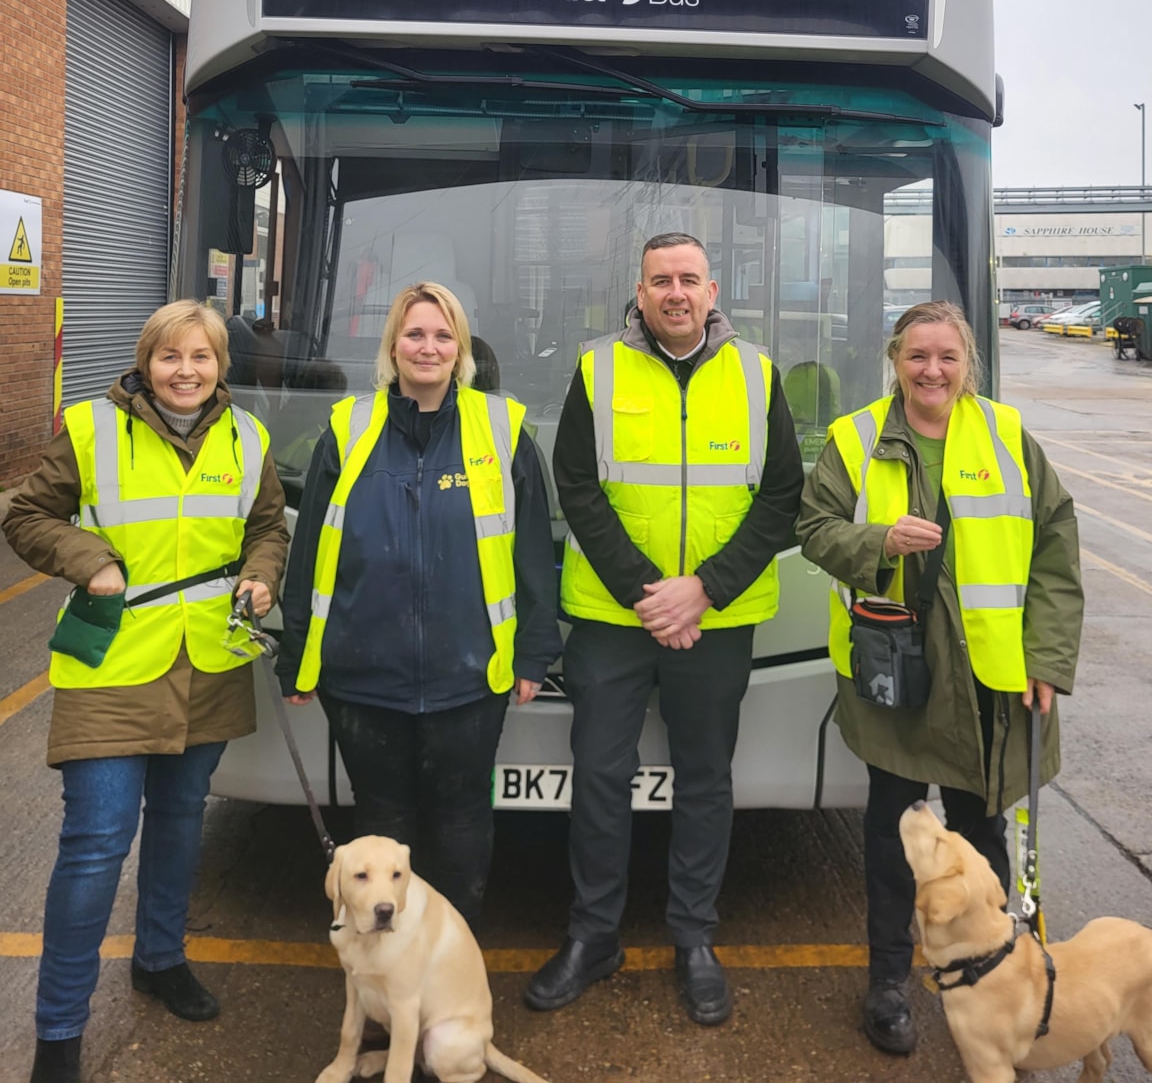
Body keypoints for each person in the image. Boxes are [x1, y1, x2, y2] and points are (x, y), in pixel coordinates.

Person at [5, 301, 289, 1083]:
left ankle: (160, 959)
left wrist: (261, 578)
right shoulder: (94, 430)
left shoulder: (247, 437)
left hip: (208, 662)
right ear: (146, 362)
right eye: (171, 357)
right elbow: (27, 513)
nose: (186, 371)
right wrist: (87, 557)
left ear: (220, 365)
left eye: (201, 357)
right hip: (113, 664)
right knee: (96, 844)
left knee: (179, 822)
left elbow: (268, 526)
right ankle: (59, 1031)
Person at [525, 233, 805, 1026]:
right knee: (601, 777)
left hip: (716, 620)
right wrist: (653, 593)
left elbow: (780, 496)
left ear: (713, 291)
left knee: (706, 779)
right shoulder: (597, 369)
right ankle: (594, 936)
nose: (675, 293)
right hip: (617, 617)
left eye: (689, 279)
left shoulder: (757, 375)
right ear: (639, 293)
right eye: (660, 282)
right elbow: (575, 487)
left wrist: (704, 591)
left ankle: (694, 939)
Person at [798, 300, 1082, 1056]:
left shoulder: (1007, 435)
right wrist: (878, 541)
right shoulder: (853, 438)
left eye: (947, 358)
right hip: (896, 674)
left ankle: (991, 977)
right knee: (893, 838)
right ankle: (889, 982)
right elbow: (814, 529)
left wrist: (1049, 657)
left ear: (967, 364)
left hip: (989, 680)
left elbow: (1055, 544)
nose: (932, 371)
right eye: (917, 356)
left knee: (981, 831)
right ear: (895, 360)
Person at [276, 282, 559, 926]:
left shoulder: (503, 430)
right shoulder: (346, 430)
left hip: (470, 678)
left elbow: (533, 556)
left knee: (462, 828)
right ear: (393, 346)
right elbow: (312, 551)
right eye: (414, 334)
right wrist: (297, 653)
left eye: (442, 335)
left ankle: (449, 980)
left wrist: (535, 651)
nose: (427, 347)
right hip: (362, 679)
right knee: (380, 833)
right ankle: (387, 983)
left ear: (460, 349)